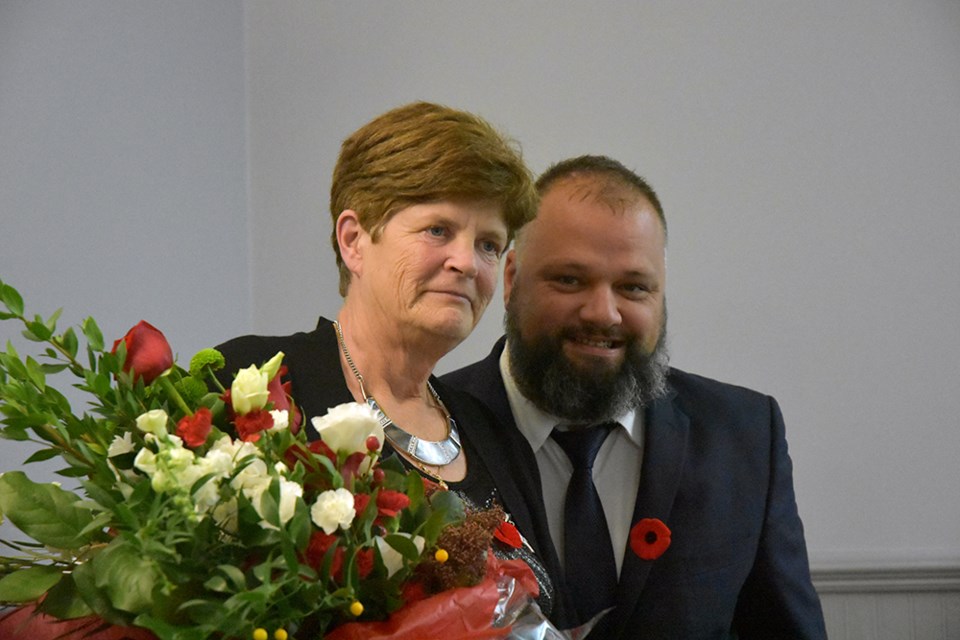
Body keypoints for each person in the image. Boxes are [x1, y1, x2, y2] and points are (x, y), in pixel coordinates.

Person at [442, 155, 827, 638]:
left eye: (633, 287)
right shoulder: (430, 424)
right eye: (569, 279)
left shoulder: (745, 435)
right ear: (512, 277)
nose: (603, 312)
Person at [215, 101, 555, 613]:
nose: (466, 262)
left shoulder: (497, 437)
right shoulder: (252, 382)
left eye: (489, 244)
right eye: (438, 229)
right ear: (354, 240)